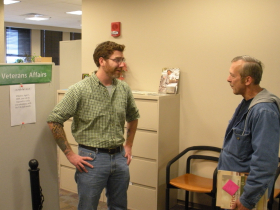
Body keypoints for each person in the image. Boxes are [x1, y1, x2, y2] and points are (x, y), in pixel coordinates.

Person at [47, 41, 140, 210]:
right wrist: (70, 155)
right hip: (92, 159)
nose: (122, 64)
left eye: (122, 59)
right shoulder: (80, 89)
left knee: (119, 206)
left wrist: (129, 145)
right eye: (117, 60)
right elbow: (54, 120)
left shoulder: (124, 89)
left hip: (119, 158)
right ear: (101, 60)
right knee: (88, 206)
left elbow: (133, 116)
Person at [218, 55, 280, 210]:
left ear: (247, 80)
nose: (228, 79)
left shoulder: (264, 111)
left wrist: (247, 200)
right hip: (233, 183)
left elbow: (265, 162)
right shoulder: (247, 102)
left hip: (245, 192)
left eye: (232, 75)